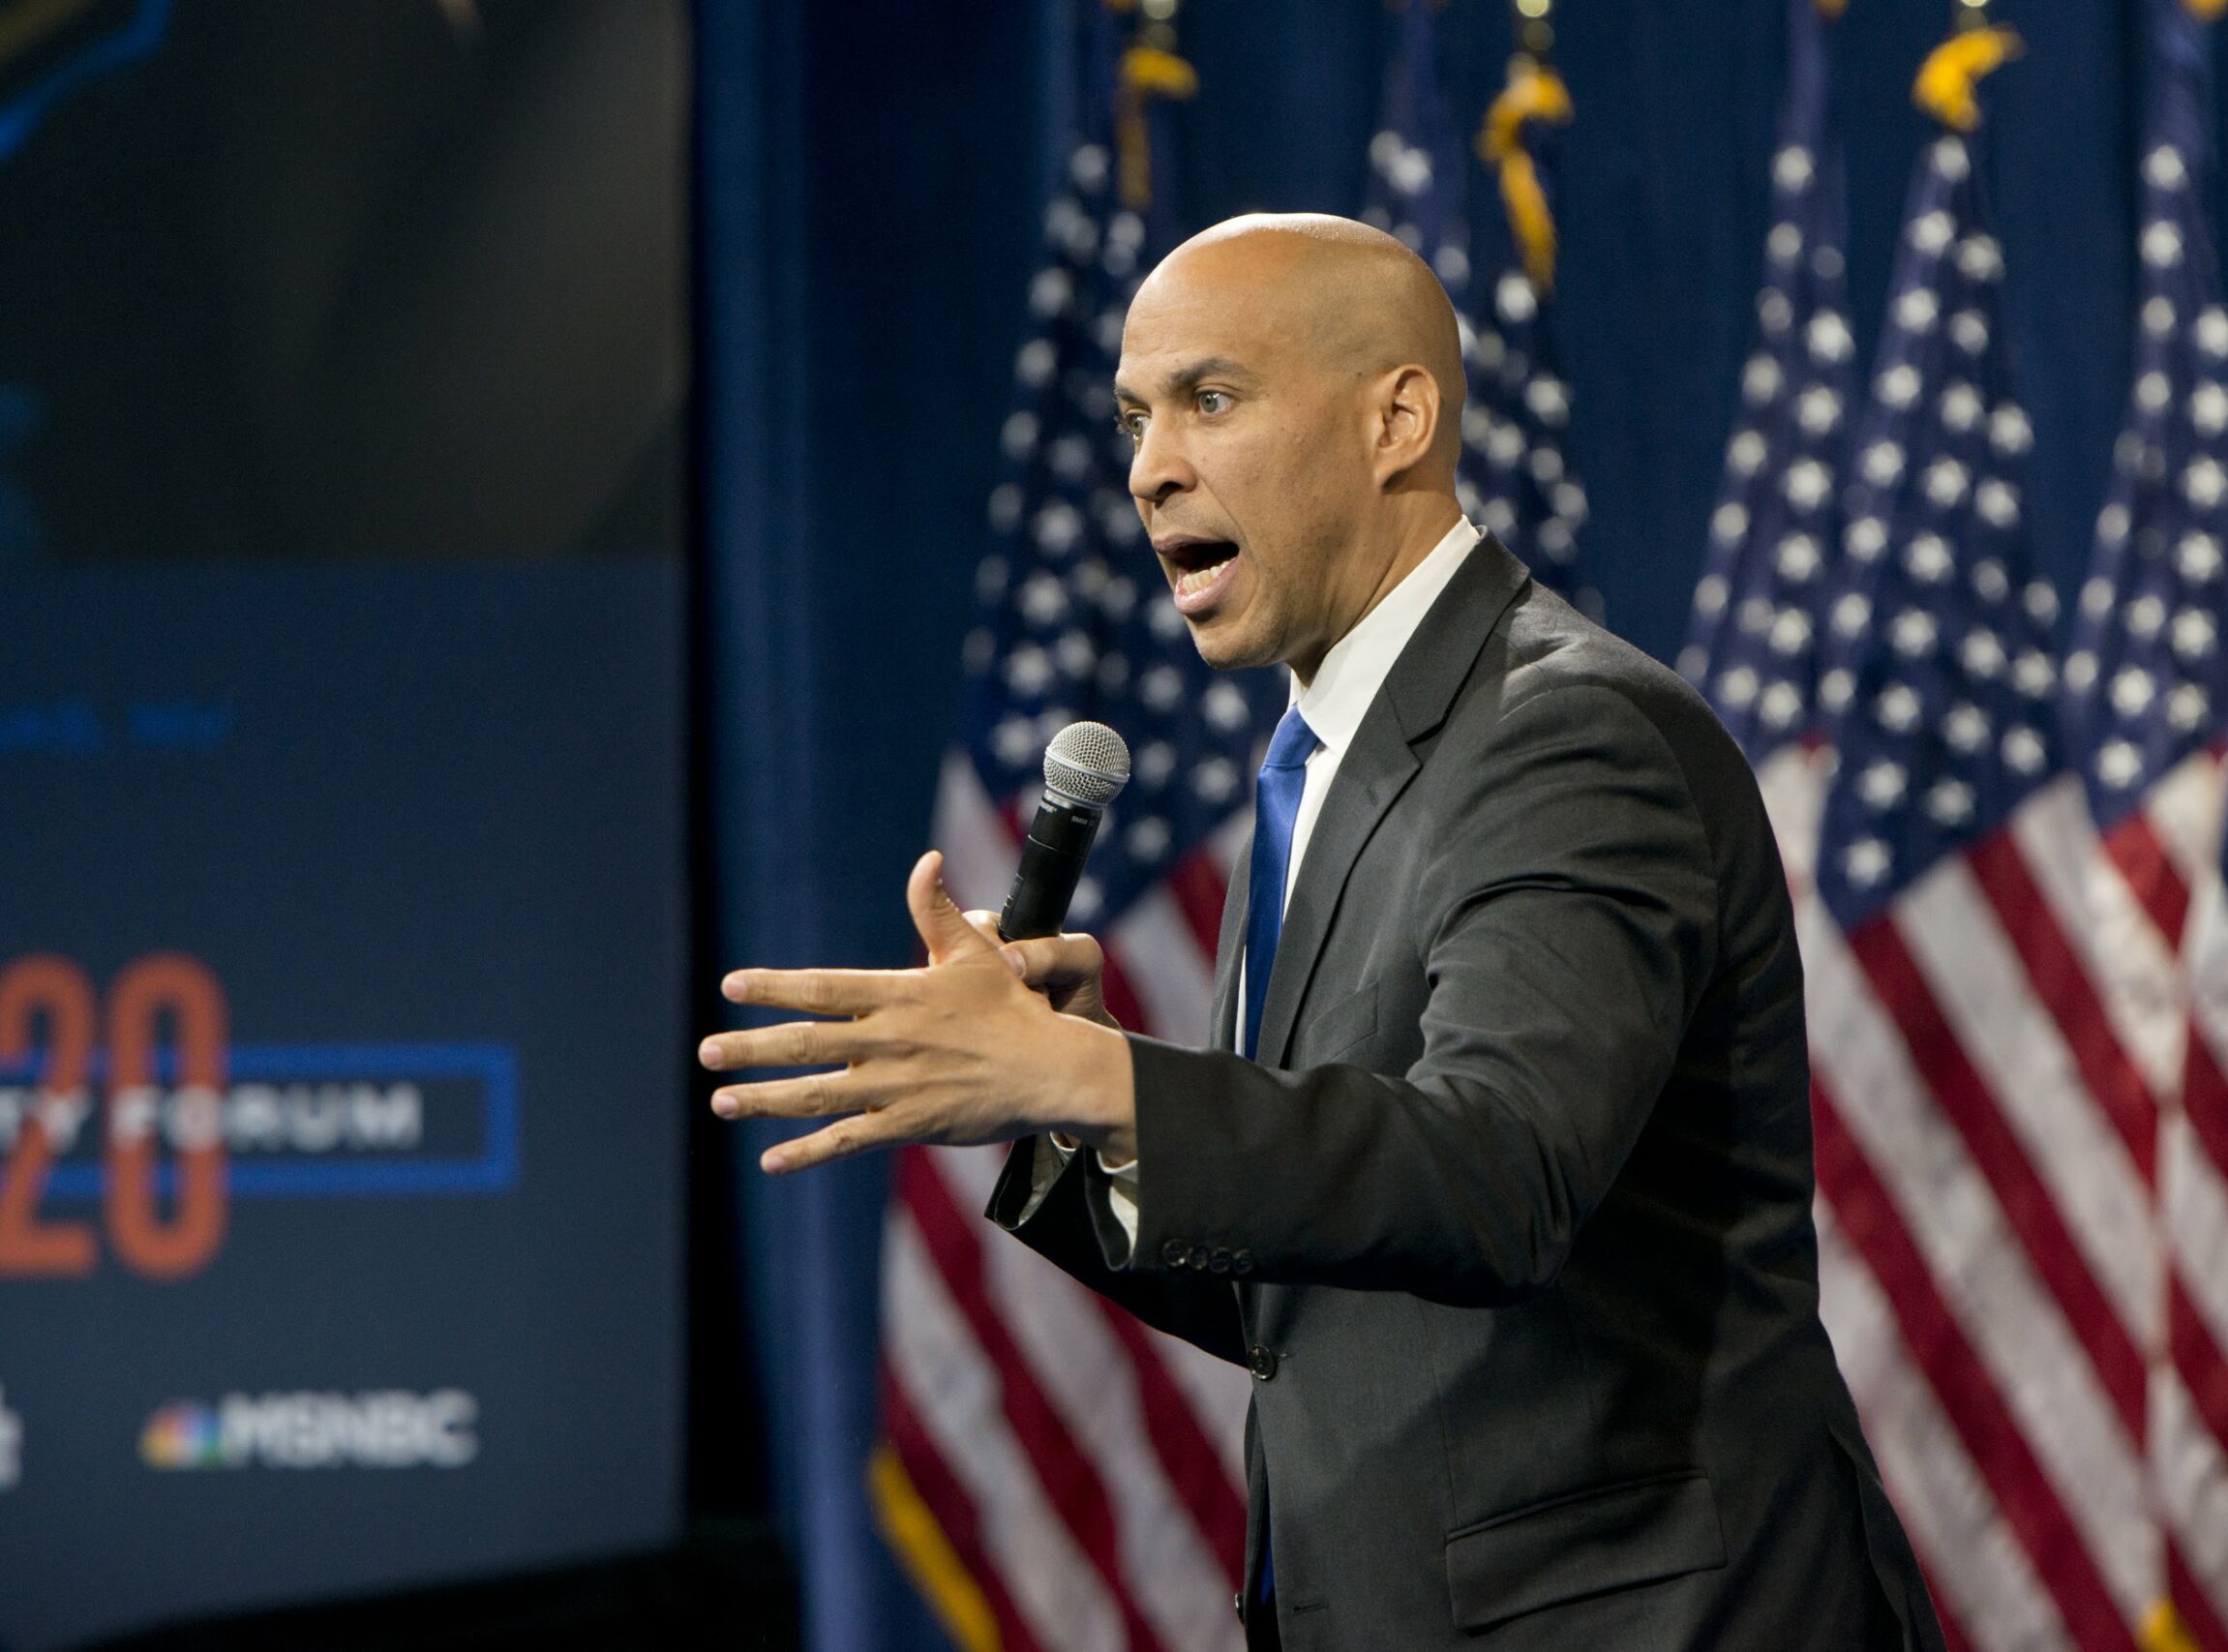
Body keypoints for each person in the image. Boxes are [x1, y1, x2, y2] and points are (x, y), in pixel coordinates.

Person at [701, 213, 1942, 1649]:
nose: (1149, 465)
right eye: (1132, 416)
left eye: (1209, 400)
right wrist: (1087, 1100)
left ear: (1396, 419)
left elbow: (1495, 1174)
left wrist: (1096, 1085)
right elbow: (1320, 1299)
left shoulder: (1566, 735)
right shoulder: (1323, 765)